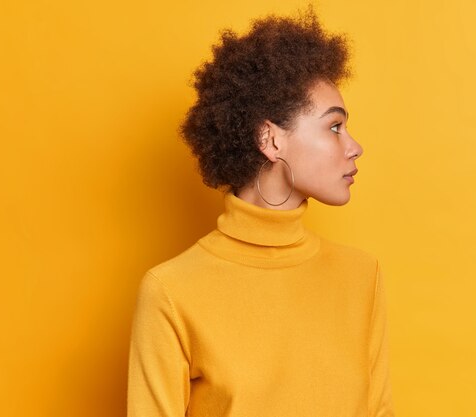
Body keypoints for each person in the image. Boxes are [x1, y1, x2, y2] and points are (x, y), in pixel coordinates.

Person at [127, 7, 395, 417]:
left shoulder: (362, 277)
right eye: (334, 127)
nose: (354, 146)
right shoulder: (172, 293)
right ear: (270, 139)